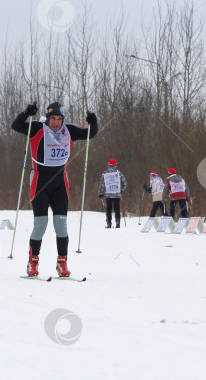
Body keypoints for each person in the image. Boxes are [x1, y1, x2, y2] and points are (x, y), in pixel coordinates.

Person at [11, 101, 98, 278]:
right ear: (48, 118)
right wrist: (27, 112)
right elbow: (16, 126)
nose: (56, 122)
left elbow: (91, 134)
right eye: (53, 118)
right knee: (40, 224)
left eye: (59, 119)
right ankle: (32, 262)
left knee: (61, 225)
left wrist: (93, 121)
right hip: (39, 180)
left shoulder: (70, 130)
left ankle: (62, 263)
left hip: (60, 182)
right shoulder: (37, 128)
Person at [98, 158, 128, 228]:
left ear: (108, 165)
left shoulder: (105, 173)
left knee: (109, 209)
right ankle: (118, 222)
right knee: (117, 208)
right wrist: (121, 190)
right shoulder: (119, 173)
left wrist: (100, 193)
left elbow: (101, 184)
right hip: (117, 194)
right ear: (115, 165)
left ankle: (109, 223)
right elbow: (125, 183)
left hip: (108, 194)